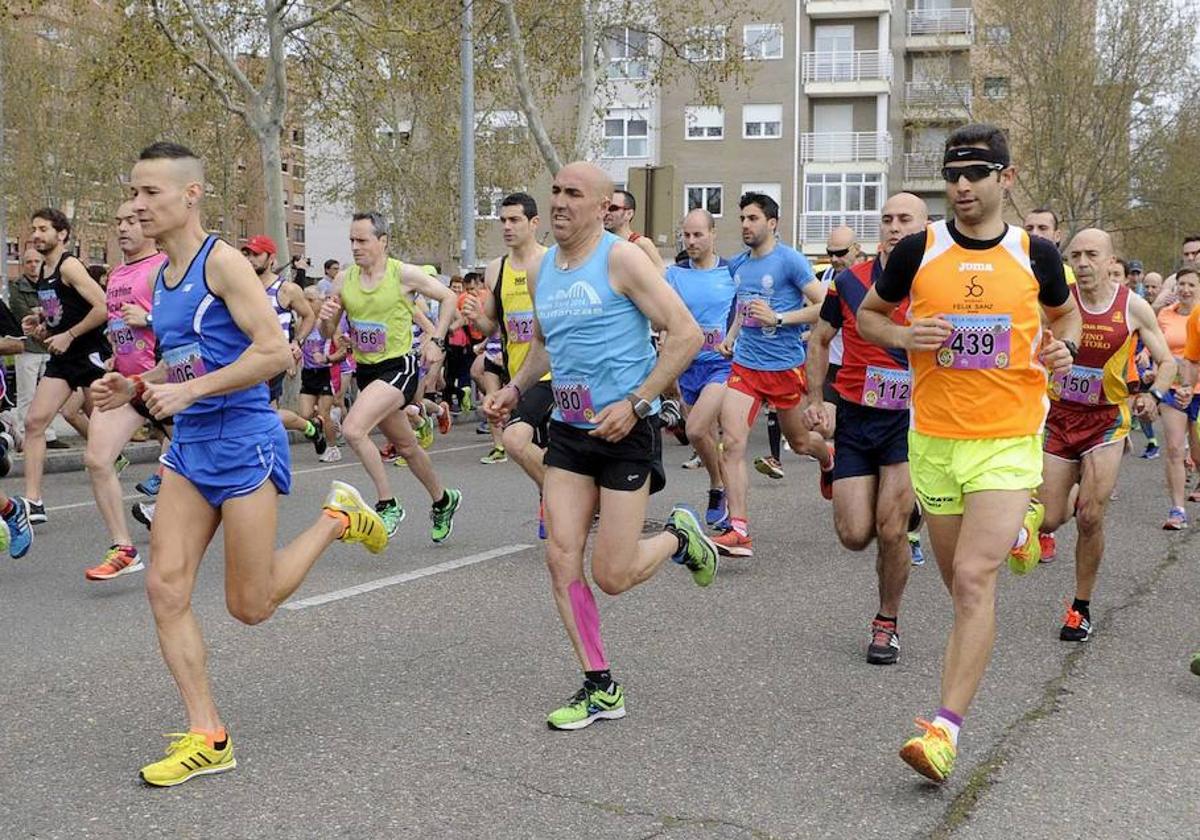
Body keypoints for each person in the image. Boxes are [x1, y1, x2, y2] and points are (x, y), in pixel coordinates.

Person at [93, 141, 386, 787]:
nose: (138, 204)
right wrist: (135, 385)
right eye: (134, 192)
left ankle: (339, 516)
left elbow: (274, 355)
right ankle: (208, 735)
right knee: (164, 587)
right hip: (191, 447)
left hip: (245, 440)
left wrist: (188, 390)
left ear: (189, 195)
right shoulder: (159, 279)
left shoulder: (222, 264)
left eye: (149, 193)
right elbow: (188, 360)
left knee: (249, 607)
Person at [856, 123, 1080, 783]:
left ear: (1005, 180)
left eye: (975, 175)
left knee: (977, 579)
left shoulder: (1035, 254)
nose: (960, 187)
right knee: (958, 584)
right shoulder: (916, 251)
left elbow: (1064, 316)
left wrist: (1061, 346)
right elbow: (871, 316)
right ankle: (1019, 527)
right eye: (952, 175)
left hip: (1008, 437)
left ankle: (943, 730)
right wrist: (903, 333)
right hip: (934, 439)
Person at [485, 161, 717, 730]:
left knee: (613, 574)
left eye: (574, 194)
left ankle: (678, 537)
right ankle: (599, 684)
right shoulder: (543, 271)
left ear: (602, 205)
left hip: (625, 431)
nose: (560, 202)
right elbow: (543, 343)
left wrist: (639, 401)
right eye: (556, 192)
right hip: (569, 431)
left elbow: (686, 335)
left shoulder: (621, 259)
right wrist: (515, 389)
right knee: (560, 555)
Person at [805, 193, 929, 665]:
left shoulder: (936, 285)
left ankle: (886, 621)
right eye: (887, 220)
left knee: (890, 528)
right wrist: (817, 400)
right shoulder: (850, 282)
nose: (894, 228)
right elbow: (820, 340)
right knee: (855, 535)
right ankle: (843, 476)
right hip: (856, 416)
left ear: (925, 228)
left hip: (909, 421)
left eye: (905, 220)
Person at [1037, 228, 1175, 642]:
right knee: (1049, 517)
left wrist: (1154, 393)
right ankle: (1078, 490)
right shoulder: (1058, 305)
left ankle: (1080, 607)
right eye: (1075, 255)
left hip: (1106, 421)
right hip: (1060, 418)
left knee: (1091, 516)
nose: (1082, 263)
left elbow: (1166, 361)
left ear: (1110, 260)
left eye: (1091, 255)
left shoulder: (1133, 306)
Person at [318, 211, 463, 541]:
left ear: (382, 241)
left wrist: (437, 340)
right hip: (367, 371)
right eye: (352, 240)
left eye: (362, 240)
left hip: (399, 367)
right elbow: (329, 331)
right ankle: (443, 500)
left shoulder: (403, 274)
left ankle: (387, 504)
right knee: (407, 446)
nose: (355, 247)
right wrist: (326, 320)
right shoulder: (344, 280)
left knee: (354, 429)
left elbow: (449, 296)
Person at [712, 192, 832, 558]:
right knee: (732, 443)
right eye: (743, 219)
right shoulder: (740, 265)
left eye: (752, 218)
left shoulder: (789, 261)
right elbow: (743, 308)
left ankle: (828, 457)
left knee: (799, 443)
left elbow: (825, 305)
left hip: (784, 368)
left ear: (772, 223)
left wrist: (780, 319)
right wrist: (731, 337)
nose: (746, 225)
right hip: (746, 367)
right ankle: (739, 529)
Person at [82, 200, 170, 580]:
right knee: (97, 460)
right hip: (128, 387)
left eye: (131, 221)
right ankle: (123, 547)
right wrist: (115, 359)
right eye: (118, 221)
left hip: (169, 383)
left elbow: (190, 322)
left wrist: (149, 317)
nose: (122, 227)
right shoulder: (116, 274)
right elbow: (120, 327)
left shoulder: (165, 267)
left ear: (149, 224)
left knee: (206, 472)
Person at [18, 208, 110, 524]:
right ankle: (34, 501)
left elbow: (102, 308)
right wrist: (43, 323)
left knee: (107, 431)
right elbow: (62, 310)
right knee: (34, 423)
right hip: (64, 357)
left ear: (62, 234)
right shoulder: (45, 268)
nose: (36, 234)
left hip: (88, 355)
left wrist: (69, 335)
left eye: (43, 228)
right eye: (34, 228)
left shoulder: (70, 266)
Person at [469, 193, 553, 534]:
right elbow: (493, 326)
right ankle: (558, 496)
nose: (506, 226)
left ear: (534, 223)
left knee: (516, 440)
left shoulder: (551, 262)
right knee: (540, 449)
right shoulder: (496, 269)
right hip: (520, 375)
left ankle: (556, 498)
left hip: (555, 373)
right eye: (502, 220)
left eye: (514, 220)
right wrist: (477, 318)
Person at [665, 208, 734, 528]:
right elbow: (662, 317)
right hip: (687, 366)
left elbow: (745, 313)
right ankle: (722, 490)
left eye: (698, 235)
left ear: (712, 234)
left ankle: (718, 488)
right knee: (702, 435)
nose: (690, 241)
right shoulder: (675, 274)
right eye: (686, 235)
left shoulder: (732, 272)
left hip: (721, 365)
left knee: (695, 429)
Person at [241, 235, 327, 458]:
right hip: (244, 358)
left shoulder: (286, 289)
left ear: (271, 258)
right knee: (265, 414)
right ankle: (311, 427)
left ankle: (267, 461)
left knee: (263, 413)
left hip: (272, 359)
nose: (250, 259)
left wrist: (296, 343)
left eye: (256, 255)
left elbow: (308, 316)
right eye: (247, 254)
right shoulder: (240, 286)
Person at [1156, 267, 1200, 529]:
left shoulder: (1197, 317)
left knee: (1196, 452)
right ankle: (1178, 509)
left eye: (1192, 285)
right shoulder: (1165, 314)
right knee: (1174, 448)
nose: (1185, 289)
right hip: (1175, 387)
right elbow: (1157, 346)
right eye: (1181, 284)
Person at [297, 286, 346, 463]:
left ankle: (332, 448)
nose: (307, 304)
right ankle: (326, 425)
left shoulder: (329, 324)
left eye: (311, 300)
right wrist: (292, 364)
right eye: (305, 300)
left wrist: (326, 358)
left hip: (326, 373)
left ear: (320, 302)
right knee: (304, 415)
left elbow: (343, 351)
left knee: (324, 414)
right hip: (308, 374)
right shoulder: (301, 324)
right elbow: (297, 346)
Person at [603, 189, 666, 272]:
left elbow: (661, 275)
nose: (607, 212)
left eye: (613, 208)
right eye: (604, 207)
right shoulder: (596, 242)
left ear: (629, 214)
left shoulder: (641, 244)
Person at [1023, 207, 1077, 286]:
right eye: (1029, 229)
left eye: (1042, 228)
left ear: (1057, 236)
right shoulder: (1011, 270)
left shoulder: (1070, 277)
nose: (1034, 233)